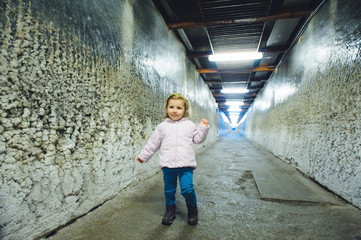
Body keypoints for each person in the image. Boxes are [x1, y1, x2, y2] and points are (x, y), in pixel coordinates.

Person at [136, 93, 209, 226]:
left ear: (185, 110)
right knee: (169, 189)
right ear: (166, 109)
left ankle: (192, 209)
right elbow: (153, 143)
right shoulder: (162, 127)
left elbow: (198, 140)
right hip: (167, 165)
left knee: (187, 188)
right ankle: (170, 210)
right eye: (171, 107)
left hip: (185, 164)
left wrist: (203, 128)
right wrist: (143, 156)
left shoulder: (189, 125)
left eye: (179, 108)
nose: (174, 110)